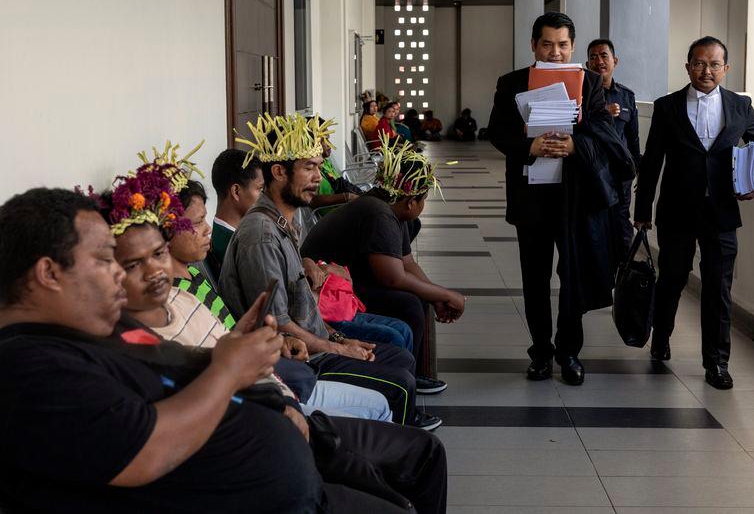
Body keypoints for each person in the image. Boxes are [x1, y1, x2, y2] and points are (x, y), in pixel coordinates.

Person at [0, 186, 448, 513]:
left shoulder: (94, 331)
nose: (119, 275)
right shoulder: (29, 368)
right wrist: (230, 370)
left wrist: (263, 388)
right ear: (48, 272)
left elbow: (181, 362)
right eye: (105, 260)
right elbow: (144, 451)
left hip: (295, 461)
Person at [219, 113, 443, 430]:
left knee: (401, 358)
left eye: (318, 165)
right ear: (280, 171)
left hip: (318, 342)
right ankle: (395, 445)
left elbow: (301, 308)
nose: (318, 175)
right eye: (309, 167)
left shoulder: (283, 222)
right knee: (399, 381)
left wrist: (340, 336)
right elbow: (279, 324)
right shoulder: (261, 235)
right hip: (301, 360)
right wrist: (338, 347)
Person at [165, 178, 392, 420]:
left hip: (281, 370)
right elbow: (220, 361)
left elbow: (228, 338)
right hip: (267, 391)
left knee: (392, 362)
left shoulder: (195, 276)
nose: (207, 228)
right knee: (384, 396)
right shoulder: (178, 298)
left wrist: (282, 343)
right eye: (198, 221)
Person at [487, 12, 634, 386]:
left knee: (573, 278)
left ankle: (569, 352)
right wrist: (529, 145)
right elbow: (498, 132)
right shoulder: (511, 82)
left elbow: (604, 133)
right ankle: (540, 352)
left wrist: (575, 144)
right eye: (548, 44)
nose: (555, 52)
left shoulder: (589, 84)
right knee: (534, 279)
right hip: (530, 197)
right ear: (534, 45)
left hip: (575, 199)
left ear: (572, 46)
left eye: (563, 45)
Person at [634, 36, 754, 390]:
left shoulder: (740, 106)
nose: (706, 71)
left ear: (725, 69)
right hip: (677, 212)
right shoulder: (668, 107)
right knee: (672, 280)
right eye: (698, 63)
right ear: (687, 67)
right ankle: (661, 339)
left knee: (718, 288)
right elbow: (652, 163)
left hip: (722, 214)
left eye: (714, 64)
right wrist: (642, 210)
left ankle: (716, 363)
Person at [302, 137, 463, 394]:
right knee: (409, 302)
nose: (422, 206)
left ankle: (413, 373)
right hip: (326, 292)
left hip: (345, 281)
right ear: (411, 202)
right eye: (423, 200)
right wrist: (446, 295)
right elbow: (393, 278)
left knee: (419, 298)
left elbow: (406, 263)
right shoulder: (379, 213)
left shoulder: (391, 207)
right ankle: (406, 379)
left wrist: (436, 295)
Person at [587, 38, 642, 258]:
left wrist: (638, 171)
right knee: (594, 231)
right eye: (593, 57)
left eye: (603, 56)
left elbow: (633, 139)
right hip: (593, 175)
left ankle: (622, 282)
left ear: (614, 60)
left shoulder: (626, 96)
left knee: (621, 229)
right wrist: (602, 115)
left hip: (620, 177)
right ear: (587, 63)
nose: (598, 61)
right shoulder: (582, 95)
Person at [209, 148, 264, 281]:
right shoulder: (240, 247)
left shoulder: (224, 235)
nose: (265, 198)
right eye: (260, 189)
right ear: (236, 192)